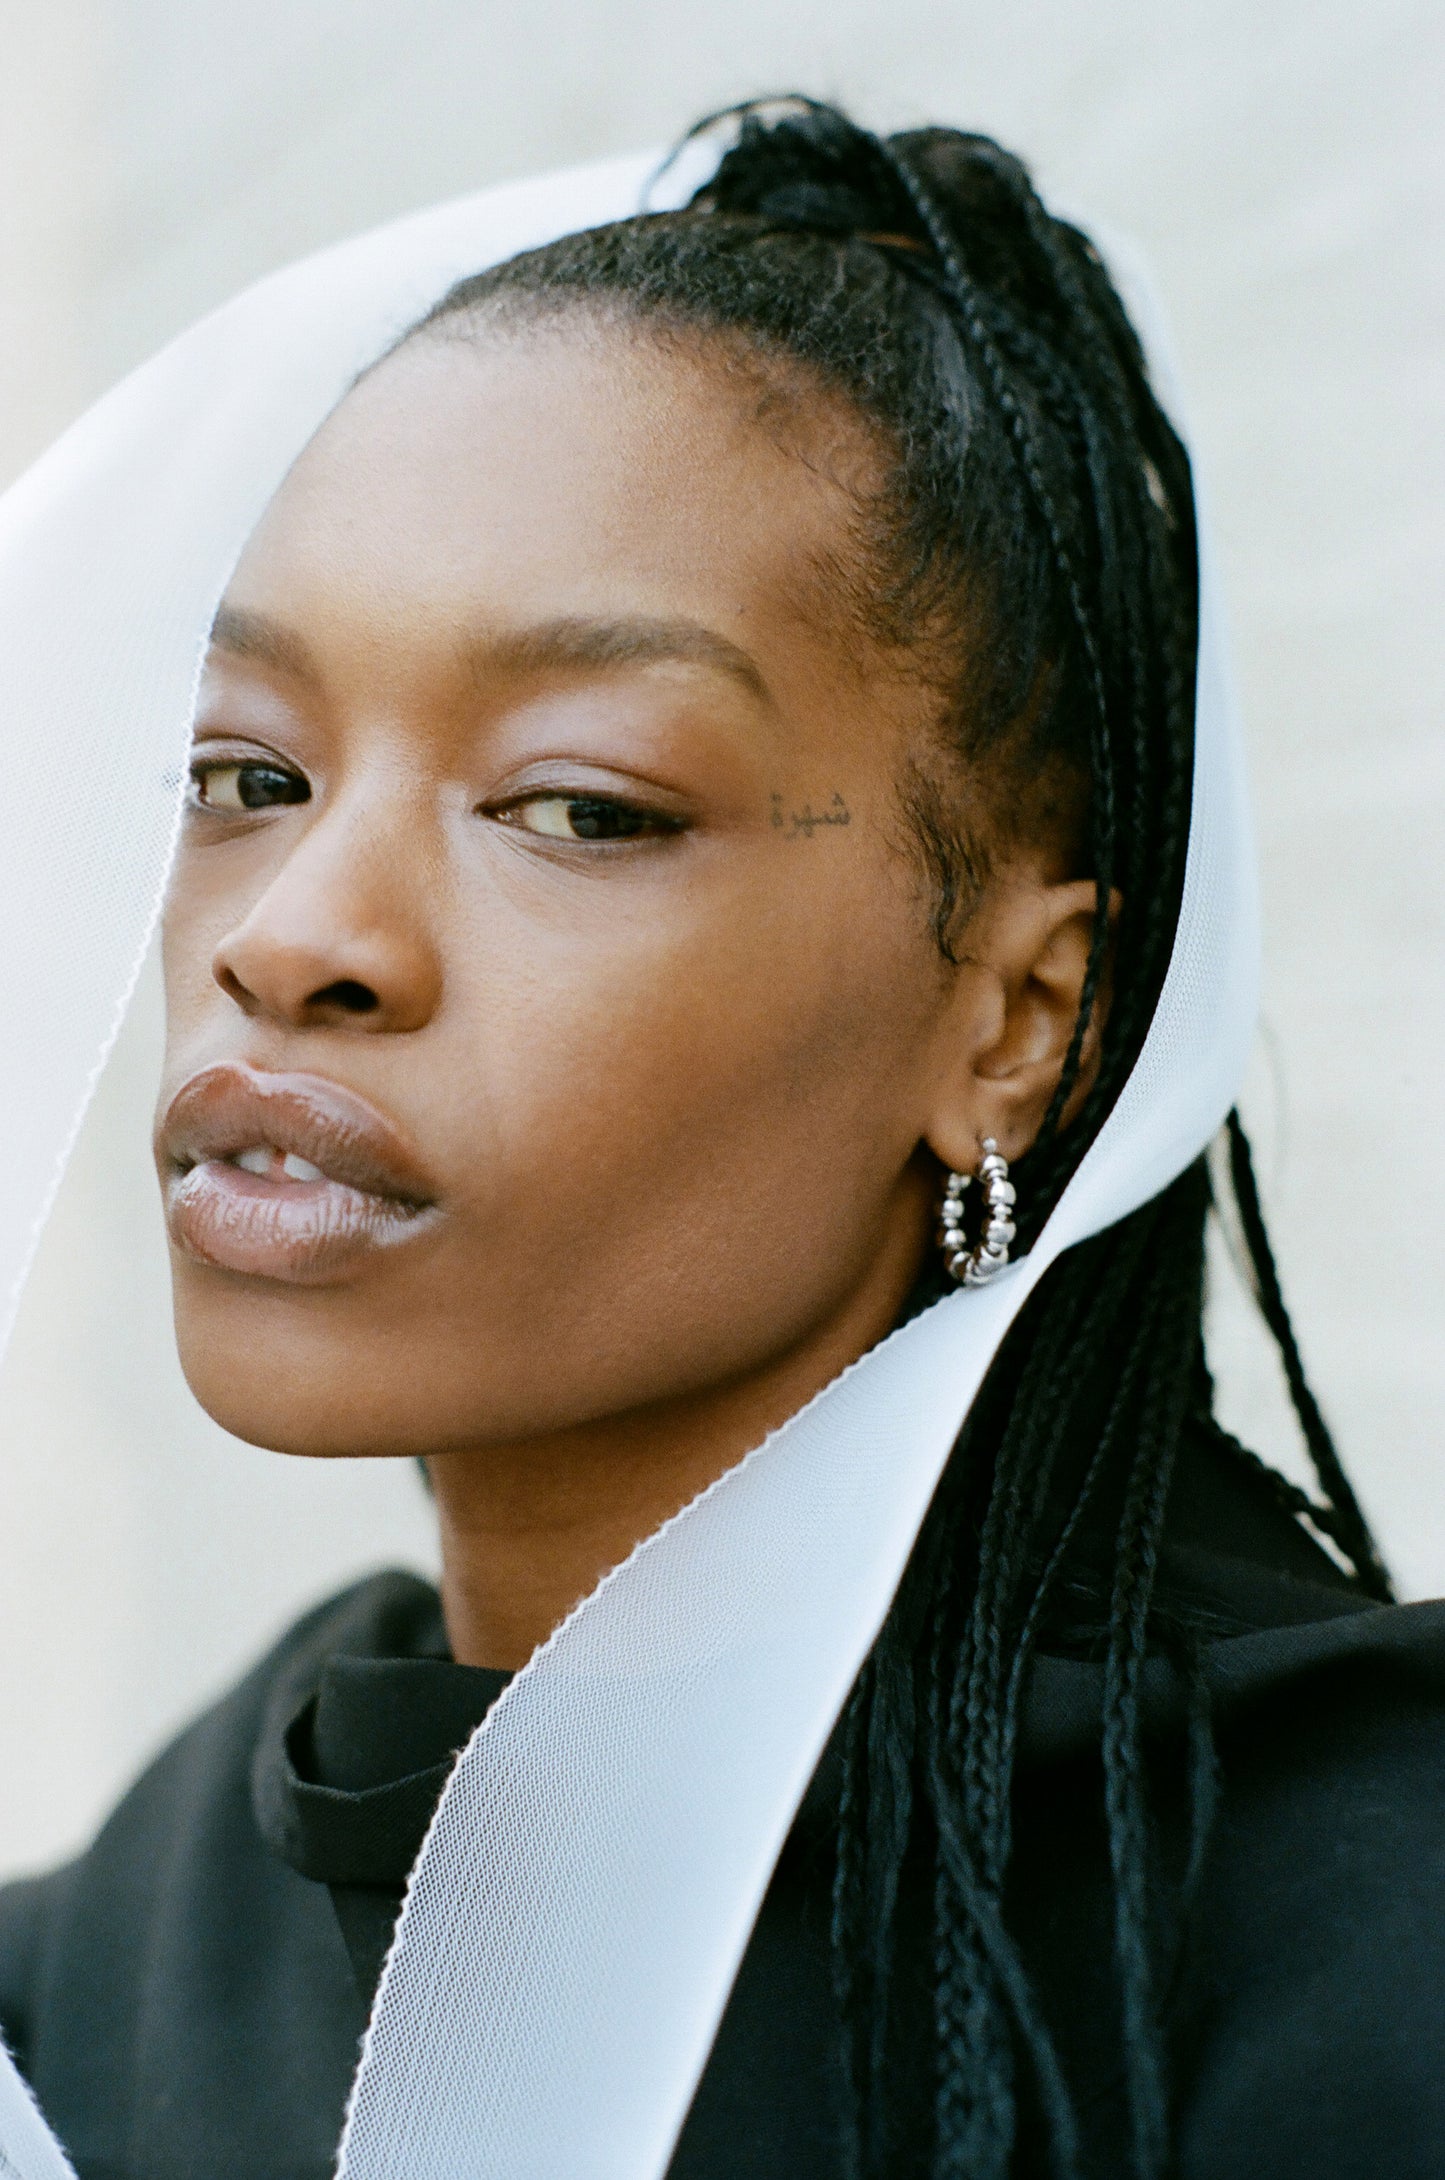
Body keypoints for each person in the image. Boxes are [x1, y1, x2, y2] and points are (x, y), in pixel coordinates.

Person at [1, 98, 1442, 2180]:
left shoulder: (1346, 1957)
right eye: (243, 768)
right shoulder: (132, 1956)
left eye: (580, 805)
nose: (296, 931)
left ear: (1017, 1019)